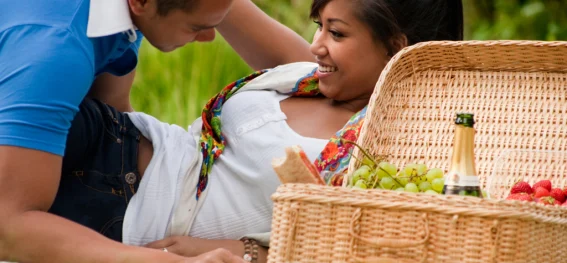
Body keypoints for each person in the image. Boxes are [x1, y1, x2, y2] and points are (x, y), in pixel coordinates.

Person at [55, 0, 464, 262]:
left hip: (125, 220)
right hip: (109, 138)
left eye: (336, 32)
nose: (317, 43)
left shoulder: (382, 159)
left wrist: (247, 252)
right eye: (318, 25)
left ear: (397, 47)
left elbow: (354, 252)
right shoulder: (308, 76)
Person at [0, 0, 314, 262]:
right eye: (196, 27)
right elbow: (6, 226)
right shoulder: (55, 49)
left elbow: (318, 72)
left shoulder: (121, 12)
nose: (209, 38)